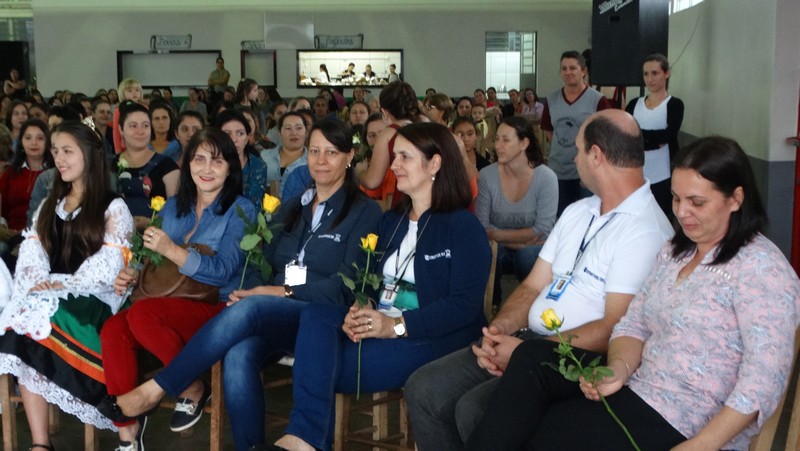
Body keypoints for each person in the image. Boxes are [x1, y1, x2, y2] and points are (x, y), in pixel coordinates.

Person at [465, 136, 800, 451]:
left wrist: (700, 445)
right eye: (676, 198)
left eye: (697, 202)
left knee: (539, 436)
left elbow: (762, 381)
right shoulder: (676, 253)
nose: (682, 212)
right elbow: (633, 324)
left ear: (736, 199)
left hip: (688, 418)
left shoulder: (761, 269)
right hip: (640, 384)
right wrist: (618, 369)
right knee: (532, 358)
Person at [405, 109, 673, 451]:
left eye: (578, 150)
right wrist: (498, 332)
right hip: (527, 340)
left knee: (475, 409)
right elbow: (532, 286)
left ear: (596, 155)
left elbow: (616, 327)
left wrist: (525, 352)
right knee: (424, 388)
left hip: (575, 357)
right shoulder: (579, 211)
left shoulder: (646, 230)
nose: (574, 159)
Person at [108, 119, 382, 451]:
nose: (321, 161)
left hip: (322, 315)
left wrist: (280, 292)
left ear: (349, 156)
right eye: (314, 152)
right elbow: (260, 263)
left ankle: (161, 386)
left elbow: (348, 286)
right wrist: (249, 289)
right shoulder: (293, 207)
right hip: (279, 314)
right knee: (239, 354)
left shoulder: (364, 211)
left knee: (251, 306)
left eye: (331, 153)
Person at [265, 122, 490, 451]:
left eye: (404, 157)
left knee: (322, 367)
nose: (393, 165)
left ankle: (305, 440)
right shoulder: (392, 221)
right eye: (394, 156)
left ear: (435, 164)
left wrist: (396, 326)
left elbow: (464, 306)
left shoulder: (462, 226)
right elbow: (368, 281)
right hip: (381, 325)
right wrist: (362, 307)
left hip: (435, 338)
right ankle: (305, 440)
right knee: (317, 314)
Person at [100, 127, 257, 451]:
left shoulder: (241, 210)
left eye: (217, 161)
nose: (206, 168)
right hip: (165, 302)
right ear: (187, 165)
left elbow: (223, 271)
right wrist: (133, 273)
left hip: (217, 306)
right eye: (199, 159)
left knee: (142, 314)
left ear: (230, 167)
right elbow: (150, 258)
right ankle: (127, 435)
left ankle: (192, 386)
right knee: (113, 329)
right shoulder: (172, 207)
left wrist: (173, 250)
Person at [0, 121, 134, 448]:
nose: (59, 159)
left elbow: (110, 265)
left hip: (95, 298)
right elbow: (32, 253)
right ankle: (40, 442)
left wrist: (62, 285)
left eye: (68, 151)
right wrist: (40, 283)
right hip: (51, 295)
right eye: (56, 151)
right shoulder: (50, 204)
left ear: (89, 154)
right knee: (24, 323)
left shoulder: (113, 206)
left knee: (33, 323)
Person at [475, 116, 557, 305]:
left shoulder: (546, 178)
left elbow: (543, 230)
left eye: (505, 140)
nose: (498, 145)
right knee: (489, 252)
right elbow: (482, 228)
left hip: (531, 250)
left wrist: (496, 234)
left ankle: (534, 307)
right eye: (496, 139)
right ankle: (492, 305)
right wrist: (521, 242)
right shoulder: (487, 176)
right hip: (502, 249)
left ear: (524, 143)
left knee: (527, 256)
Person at [541, 51, 613, 215]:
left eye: (573, 68)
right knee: (561, 216)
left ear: (584, 71)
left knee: (587, 216)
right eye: (564, 68)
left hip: (587, 172)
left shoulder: (598, 100)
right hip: (558, 171)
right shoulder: (551, 100)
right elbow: (549, 133)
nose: (568, 72)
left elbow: (606, 134)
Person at [626, 53, 685, 218]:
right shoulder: (634, 104)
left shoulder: (674, 104)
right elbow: (625, 134)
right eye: (646, 74)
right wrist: (653, 142)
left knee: (663, 218)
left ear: (666, 73)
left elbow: (667, 136)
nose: (650, 79)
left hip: (663, 176)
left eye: (655, 73)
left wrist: (639, 135)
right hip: (636, 175)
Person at [113, 101, 180, 231]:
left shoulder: (168, 166)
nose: (140, 131)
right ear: (121, 129)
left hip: (156, 237)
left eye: (145, 125)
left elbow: (175, 212)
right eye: (133, 126)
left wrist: (151, 222)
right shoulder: (109, 166)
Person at [358, 81, 420, 208]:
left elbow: (372, 181)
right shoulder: (425, 128)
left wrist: (360, 172)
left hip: (404, 202)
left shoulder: (389, 133)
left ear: (384, 112)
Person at [0, 119, 52, 267]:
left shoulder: (54, 173)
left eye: (39, 138)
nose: (33, 143)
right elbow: (2, 206)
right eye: (28, 138)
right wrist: (2, 227)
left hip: (40, 234)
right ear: (21, 142)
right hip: (8, 232)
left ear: (48, 142)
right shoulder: (10, 173)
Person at [216, 109, 268, 206]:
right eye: (227, 134)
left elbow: (253, 206)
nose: (234, 140)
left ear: (247, 138)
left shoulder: (258, 166)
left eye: (240, 133)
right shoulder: (209, 165)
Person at [260, 111, 308, 197]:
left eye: (299, 128)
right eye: (288, 128)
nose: (294, 133)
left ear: (306, 132)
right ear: (280, 133)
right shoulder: (264, 156)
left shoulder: (312, 161)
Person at [112, 79, 144, 153]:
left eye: (137, 90)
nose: (134, 93)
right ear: (123, 94)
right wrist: (118, 149)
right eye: (130, 91)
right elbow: (116, 131)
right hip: (125, 148)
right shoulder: (119, 110)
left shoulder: (145, 108)